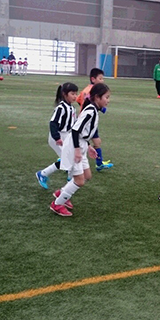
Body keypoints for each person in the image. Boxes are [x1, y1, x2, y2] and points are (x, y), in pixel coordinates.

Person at [50, 83, 111, 217]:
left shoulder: (93, 110)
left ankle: (62, 192)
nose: (108, 100)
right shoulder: (90, 111)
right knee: (79, 181)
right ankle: (57, 204)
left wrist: (88, 146)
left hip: (81, 144)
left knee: (87, 176)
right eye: (106, 97)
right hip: (74, 146)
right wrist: (77, 150)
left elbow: (83, 132)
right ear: (97, 97)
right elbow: (75, 130)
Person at [35, 82, 79, 193]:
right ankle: (43, 174)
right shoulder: (61, 108)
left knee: (72, 158)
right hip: (58, 137)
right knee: (69, 159)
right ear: (64, 94)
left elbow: (73, 124)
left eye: (76, 94)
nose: (75, 96)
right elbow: (53, 123)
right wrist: (57, 138)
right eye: (72, 94)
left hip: (66, 136)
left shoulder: (72, 108)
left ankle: (70, 178)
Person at [76, 68, 113, 171]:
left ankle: (99, 163)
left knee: (96, 142)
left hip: (87, 120)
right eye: (100, 78)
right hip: (87, 122)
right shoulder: (92, 92)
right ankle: (66, 161)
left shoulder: (85, 89)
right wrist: (102, 108)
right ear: (93, 79)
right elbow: (91, 102)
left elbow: (79, 100)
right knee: (83, 143)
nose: (102, 81)